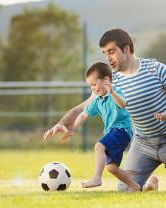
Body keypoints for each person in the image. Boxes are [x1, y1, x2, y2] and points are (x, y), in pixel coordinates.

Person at [43, 28, 166, 192]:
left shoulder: (156, 70)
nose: (108, 58)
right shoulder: (110, 81)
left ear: (127, 49)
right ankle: (150, 183)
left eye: (112, 51)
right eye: (104, 53)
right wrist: (61, 123)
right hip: (143, 143)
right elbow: (83, 107)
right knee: (126, 190)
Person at [59, 62, 141, 191]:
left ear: (106, 80)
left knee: (99, 146)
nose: (93, 88)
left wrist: (112, 92)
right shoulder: (97, 100)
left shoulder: (116, 92)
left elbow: (123, 104)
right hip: (111, 133)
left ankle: (97, 178)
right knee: (111, 168)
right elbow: (83, 115)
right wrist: (72, 129)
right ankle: (136, 187)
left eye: (94, 84)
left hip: (122, 131)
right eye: (90, 86)